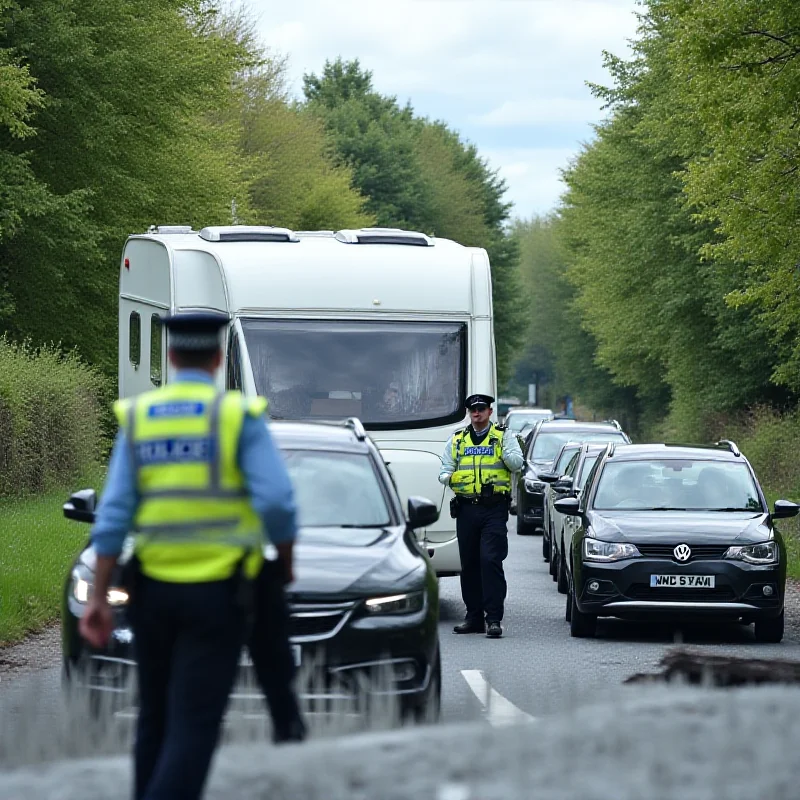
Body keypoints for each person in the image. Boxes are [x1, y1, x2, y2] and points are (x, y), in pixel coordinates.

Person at [79, 311, 300, 800]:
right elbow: (278, 503)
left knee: (154, 718)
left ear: (172, 356)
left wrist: (97, 597)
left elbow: (113, 517)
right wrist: (284, 562)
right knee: (194, 723)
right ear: (219, 357)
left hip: (151, 594)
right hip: (218, 596)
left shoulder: (138, 418)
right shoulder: (236, 416)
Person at [439, 394, 523, 638]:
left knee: (490, 561)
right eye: (472, 409)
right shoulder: (457, 440)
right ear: (468, 412)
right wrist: (452, 478)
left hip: (493, 509)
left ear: (489, 411)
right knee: (470, 564)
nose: (477, 413)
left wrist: (503, 452)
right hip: (466, 509)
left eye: (481, 409)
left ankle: (493, 619)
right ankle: (473, 617)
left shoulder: (502, 435)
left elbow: (517, 464)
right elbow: (444, 471)